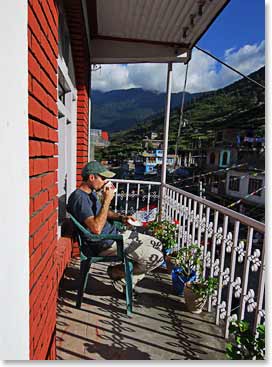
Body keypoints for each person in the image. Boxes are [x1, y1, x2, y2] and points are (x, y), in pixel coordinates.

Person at [67, 160, 164, 294]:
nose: (105, 181)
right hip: (106, 243)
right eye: (103, 178)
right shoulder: (80, 198)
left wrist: (121, 218)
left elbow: (103, 213)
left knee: (157, 244)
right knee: (156, 257)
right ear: (91, 177)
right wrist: (107, 199)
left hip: (115, 235)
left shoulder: (91, 193)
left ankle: (119, 275)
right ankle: (121, 278)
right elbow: (96, 229)